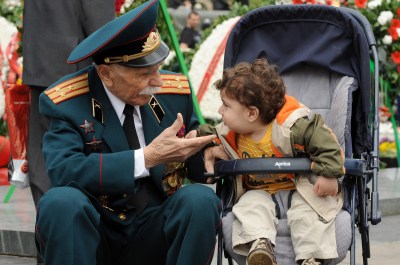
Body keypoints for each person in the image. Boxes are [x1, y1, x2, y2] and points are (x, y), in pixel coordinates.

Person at [34, 1, 221, 264]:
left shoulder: (173, 94)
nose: (157, 82)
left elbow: (194, 164)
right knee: (61, 203)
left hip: (155, 230)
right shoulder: (67, 102)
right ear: (106, 74)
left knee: (199, 200)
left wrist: (206, 153)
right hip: (94, 234)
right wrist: (146, 158)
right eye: (145, 74)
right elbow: (64, 171)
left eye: (158, 68)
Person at [200, 58, 345, 265]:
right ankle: (260, 246)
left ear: (252, 113)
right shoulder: (232, 132)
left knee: (308, 216)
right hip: (259, 191)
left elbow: (327, 143)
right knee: (250, 206)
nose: (220, 112)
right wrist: (198, 138)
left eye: (226, 106)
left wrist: (329, 174)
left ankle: (311, 258)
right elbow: (211, 133)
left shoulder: (293, 127)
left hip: (301, 190)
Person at [22, 0, 115, 208]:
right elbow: (100, 24)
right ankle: (65, 225)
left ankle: (48, 222)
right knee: (80, 150)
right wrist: (117, 62)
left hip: (40, 60)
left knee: (42, 151)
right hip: (75, 65)